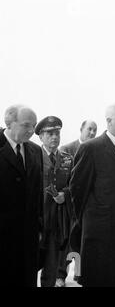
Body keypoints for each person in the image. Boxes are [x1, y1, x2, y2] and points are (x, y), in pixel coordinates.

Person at [69, 102, 115, 287]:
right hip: (99, 233)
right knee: (97, 279)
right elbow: (78, 191)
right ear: (109, 121)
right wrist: (87, 222)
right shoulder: (91, 148)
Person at [0, 105, 43, 286]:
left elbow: (38, 192)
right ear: (9, 123)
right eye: (26, 125)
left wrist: (40, 227)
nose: (32, 131)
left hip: (28, 239)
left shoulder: (35, 150)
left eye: (33, 126)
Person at [36, 116, 74, 287]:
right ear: (41, 136)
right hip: (37, 217)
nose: (54, 137)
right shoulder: (32, 156)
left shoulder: (68, 159)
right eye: (49, 133)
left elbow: (74, 185)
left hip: (58, 219)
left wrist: (64, 194)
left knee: (52, 263)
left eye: (57, 133)